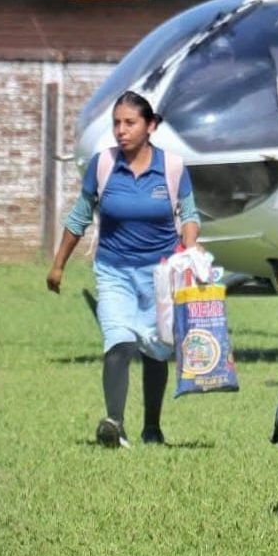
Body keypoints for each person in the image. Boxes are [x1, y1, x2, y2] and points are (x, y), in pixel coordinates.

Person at [46, 91, 201, 448]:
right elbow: (79, 217)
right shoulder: (102, 165)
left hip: (160, 274)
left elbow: (189, 214)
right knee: (120, 341)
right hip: (113, 271)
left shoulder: (172, 167)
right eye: (116, 123)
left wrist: (190, 250)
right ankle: (114, 423)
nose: (121, 130)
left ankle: (152, 427)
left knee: (155, 350)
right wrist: (58, 266)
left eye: (129, 123)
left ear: (150, 126)